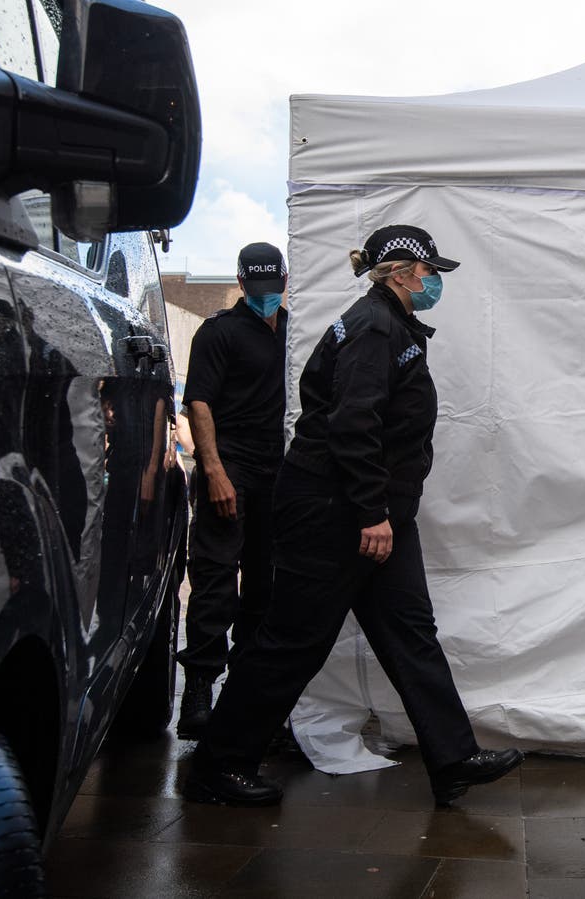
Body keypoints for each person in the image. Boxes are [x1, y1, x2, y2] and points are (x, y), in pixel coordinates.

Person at [181, 224, 523, 807]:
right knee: (293, 640)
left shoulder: (389, 326)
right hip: (336, 512)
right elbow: (352, 424)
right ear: (403, 274)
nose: (435, 281)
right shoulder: (374, 328)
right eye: (430, 271)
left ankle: (453, 758)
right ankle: (219, 765)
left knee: (409, 632)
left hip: (374, 511)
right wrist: (371, 512)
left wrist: (382, 511)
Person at [176, 243, 288, 739]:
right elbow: (198, 404)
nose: (266, 295)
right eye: (257, 287)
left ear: (285, 281)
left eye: (273, 287)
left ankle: (246, 695)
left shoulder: (294, 332)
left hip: (276, 473)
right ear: (241, 283)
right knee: (215, 579)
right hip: (230, 465)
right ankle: (199, 690)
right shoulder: (218, 332)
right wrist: (214, 472)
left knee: (265, 585)